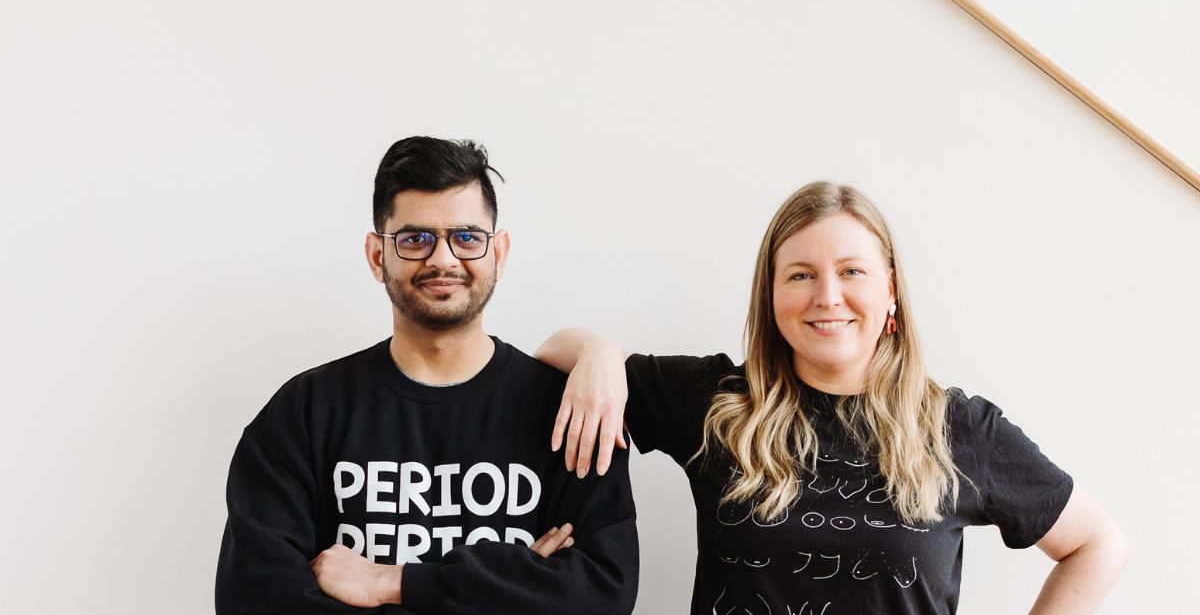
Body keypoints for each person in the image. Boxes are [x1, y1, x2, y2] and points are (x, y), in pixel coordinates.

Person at [537, 182, 1127, 614]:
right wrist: (600, 354)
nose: (827, 296)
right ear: (771, 295)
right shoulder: (716, 403)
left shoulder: (959, 430)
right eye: (800, 274)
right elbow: (549, 352)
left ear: (890, 291)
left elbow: (1097, 543)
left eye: (851, 272)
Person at [215, 136, 638, 614]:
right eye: (415, 239)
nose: (443, 259)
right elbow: (253, 599)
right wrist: (512, 589)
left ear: (498, 252)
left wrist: (391, 583)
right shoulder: (305, 412)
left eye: (467, 237)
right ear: (378, 256)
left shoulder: (571, 410)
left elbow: (601, 597)